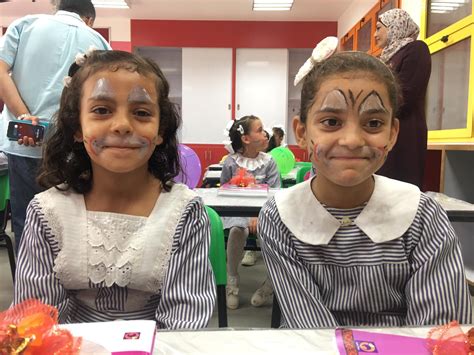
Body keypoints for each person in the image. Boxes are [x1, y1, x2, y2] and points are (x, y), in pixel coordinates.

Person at [258, 50, 472, 328]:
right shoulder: (281, 216)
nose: (351, 140)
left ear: (393, 134)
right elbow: (309, 325)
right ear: (302, 133)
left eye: (373, 123)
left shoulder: (422, 216)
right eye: (331, 122)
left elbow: (439, 330)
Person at [13, 50, 216, 328]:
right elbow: (37, 321)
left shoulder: (183, 212)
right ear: (77, 126)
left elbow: (185, 322)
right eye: (101, 110)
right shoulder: (49, 212)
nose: (121, 125)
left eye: (142, 113)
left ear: (160, 130)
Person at [0, 0, 110, 252]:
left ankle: (31, 289)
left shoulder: (24, 25)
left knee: (28, 224)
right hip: (72, 146)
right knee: (72, 225)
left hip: (25, 142)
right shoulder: (98, 41)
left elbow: (1, 69)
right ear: (88, 19)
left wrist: (24, 116)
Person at [221, 115, 280, 309]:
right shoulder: (231, 162)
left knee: (269, 232)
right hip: (237, 211)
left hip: (264, 212)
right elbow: (224, 191)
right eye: (260, 129)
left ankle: (271, 282)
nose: (266, 133)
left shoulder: (269, 162)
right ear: (246, 139)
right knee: (238, 230)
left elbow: (275, 194)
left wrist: (257, 214)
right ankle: (232, 281)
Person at [374, 8, 431, 189]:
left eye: (378, 28)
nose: (375, 35)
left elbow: (406, 94)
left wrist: (373, 106)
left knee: (401, 189)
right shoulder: (384, 58)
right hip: (384, 128)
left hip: (405, 132)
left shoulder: (415, 49)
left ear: (394, 27)